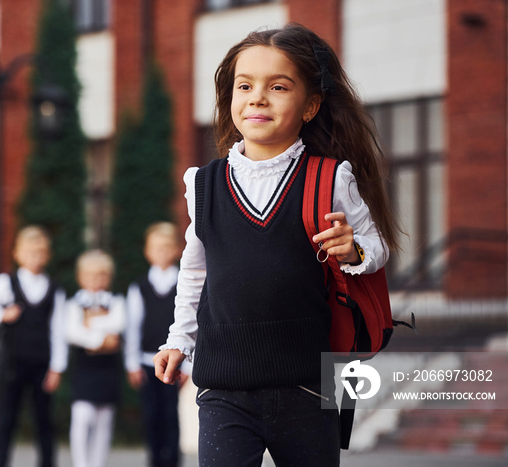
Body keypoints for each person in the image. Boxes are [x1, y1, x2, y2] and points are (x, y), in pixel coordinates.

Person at [153, 23, 400, 467]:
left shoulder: (331, 177)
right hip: (223, 387)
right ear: (230, 100)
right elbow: (195, 272)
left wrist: (354, 250)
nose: (257, 97)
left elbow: (377, 245)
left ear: (310, 106)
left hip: (309, 384)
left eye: (278, 86)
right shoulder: (202, 183)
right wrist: (178, 340)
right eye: (244, 85)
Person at [0, 225, 67, 467]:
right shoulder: (6, 283)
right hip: (11, 364)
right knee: (5, 420)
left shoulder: (54, 289)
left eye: (40, 252)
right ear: (17, 254)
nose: (35, 257)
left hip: (41, 364)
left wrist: (57, 367)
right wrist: (3, 315)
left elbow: (58, 330)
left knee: (44, 421)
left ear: (47, 255)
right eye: (29, 252)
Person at [125, 222, 191, 467]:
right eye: (156, 247)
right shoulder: (139, 287)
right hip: (146, 361)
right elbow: (133, 327)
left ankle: (173, 461)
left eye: (167, 247)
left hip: (176, 363)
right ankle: (154, 460)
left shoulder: (184, 285)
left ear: (176, 250)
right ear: (147, 251)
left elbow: (193, 323)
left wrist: (188, 367)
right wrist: (131, 363)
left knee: (171, 416)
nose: (162, 252)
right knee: (151, 416)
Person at [65, 249, 126, 467]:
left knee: (104, 421)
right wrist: (101, 340)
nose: (96, 280)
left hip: (107, 369)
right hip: (84, 368)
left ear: (108, 277)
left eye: (101, 275)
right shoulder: (74, 303)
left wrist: (90, 325)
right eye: (90, 275)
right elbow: (72, 332)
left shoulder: (116, 301)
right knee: (82, 418)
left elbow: (118, 324)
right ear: (80, 277)